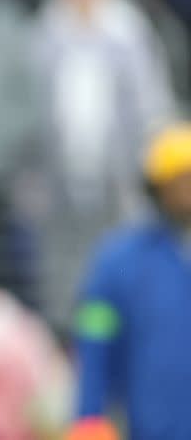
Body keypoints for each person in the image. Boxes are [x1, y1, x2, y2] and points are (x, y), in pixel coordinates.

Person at [68, 123, 191, 440]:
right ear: (157, 188)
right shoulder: (119, 262)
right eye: (181, 180)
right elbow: (94, 333)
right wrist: (89, 414)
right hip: (154, 427)